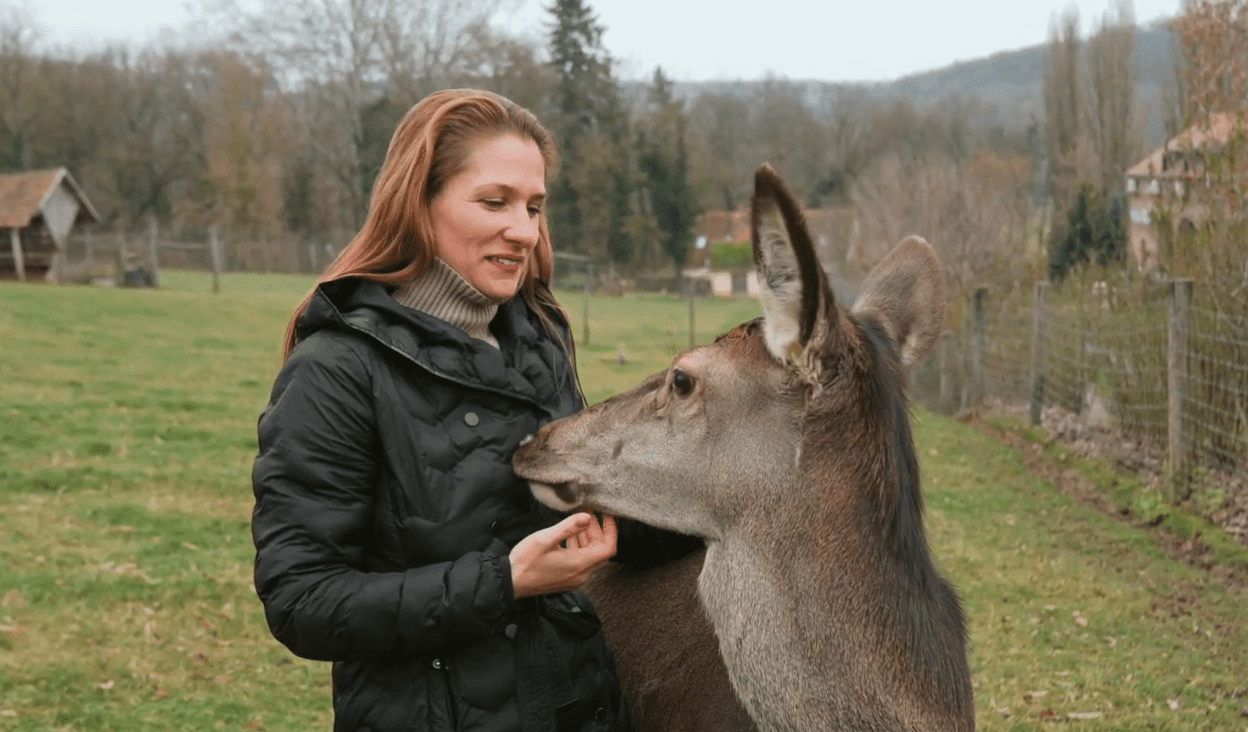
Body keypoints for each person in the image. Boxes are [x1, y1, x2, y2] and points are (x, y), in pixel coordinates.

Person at [251, 89, 694, 732]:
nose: (524, 230)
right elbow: (303, 600)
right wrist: (503, 582)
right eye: (495, 202)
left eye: (534, 207)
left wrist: (734, 491)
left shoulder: (538, 340)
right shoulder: (335, 371)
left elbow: (590, 515)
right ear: (419, 203)